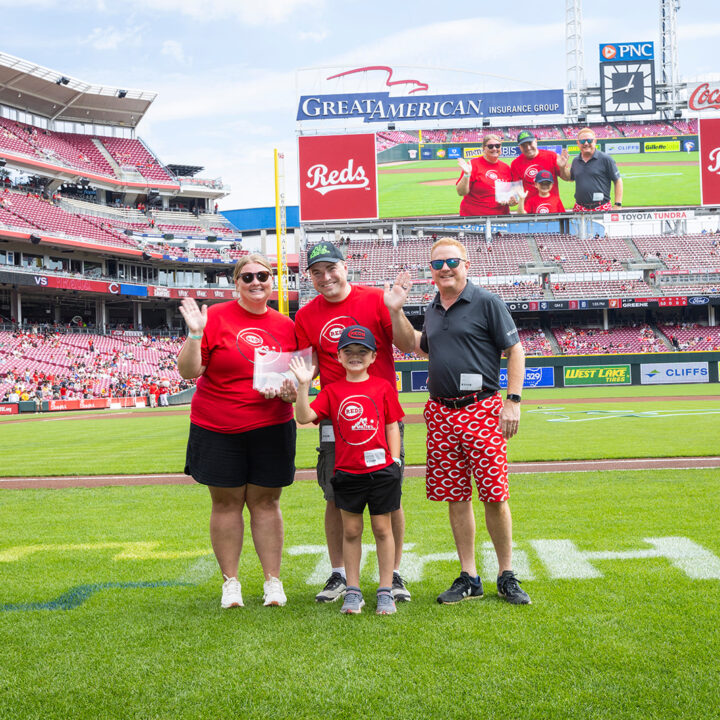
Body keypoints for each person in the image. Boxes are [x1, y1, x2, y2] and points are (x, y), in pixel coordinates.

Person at [386, 237, 532, 605]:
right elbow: (415, 347)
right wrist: (396, 312)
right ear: (431, 272)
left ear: (465, 264)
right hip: (441, 411)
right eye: (437, 264)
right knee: (456, 496)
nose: (445, 268)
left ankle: (506, 574)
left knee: (494, 495)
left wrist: (512, 401)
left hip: (481, 408)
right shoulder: (434, 308)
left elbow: (515, 350)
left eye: (451, 261)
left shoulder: (486, 302)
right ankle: (469, 576)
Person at [294, 241, 412, 604]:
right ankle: (340, 573)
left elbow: (408, 344)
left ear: (346, 267)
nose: (325, 277)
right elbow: (306, 367)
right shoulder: (305, 315)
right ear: (310, 278)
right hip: (335, 416)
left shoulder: (376, 298)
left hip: (381, 415)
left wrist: (396, 311)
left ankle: (391, 574)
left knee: (389, 498)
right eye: (316, 272)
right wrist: (291, 385)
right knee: (335, 495)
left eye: (331, 268)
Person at [177, 252, 296, 610]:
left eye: (263, 276)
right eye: (248, 277)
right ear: (236, 283)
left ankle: (272, 581)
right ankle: (231, 583)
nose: (256, 282)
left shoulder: (286, 325)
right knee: (226, 503)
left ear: (272, 281)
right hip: (218, 425)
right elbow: (188, 372)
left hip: (271, 425)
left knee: (267, 502)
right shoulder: (214, 317)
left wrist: (293, 389)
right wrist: (196, 334)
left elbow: (296, 376)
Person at [291, 325, 404, 615]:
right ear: (339, 357)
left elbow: (391, 424)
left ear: (373, 357)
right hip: (347, 472)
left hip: (381, 471)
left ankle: (385, 589)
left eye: (361, 352)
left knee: (382, 528)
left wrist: (394, 460)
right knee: (351, 531)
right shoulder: (332, 391)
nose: (355, 357)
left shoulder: (382, 388)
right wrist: (303, 385)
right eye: (348, 352)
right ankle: (352, 590)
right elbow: (304, 416)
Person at [456, 134, 515, 216]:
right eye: (490, 146)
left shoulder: (506, 168)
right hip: (474, 218)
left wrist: (511, 201)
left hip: (500, 217)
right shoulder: (473, 165)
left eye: (497, 146)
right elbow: (461, 192)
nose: (494, 149)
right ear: (484, 148)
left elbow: (511, 196)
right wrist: (466, 175)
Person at [511, 130, 569, 211]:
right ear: (519, 147)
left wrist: (562, 167)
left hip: (552, 208)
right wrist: (512, 198)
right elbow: (517, 188)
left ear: (535, 141)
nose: (528, 148)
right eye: (524, 145)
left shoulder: (551, 156)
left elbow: (567, 178)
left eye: (530, 143)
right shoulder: (515, 163)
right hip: (529, 210)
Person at [570, 128, 623, 212]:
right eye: (583, 141)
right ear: (578, 143)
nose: (586, 143)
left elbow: (617, 180)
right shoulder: (575, 161)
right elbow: (571, 178)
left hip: (601, 207)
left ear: (595, 141)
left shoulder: (606, 159)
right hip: (579, 208)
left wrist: (618, 204)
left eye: (589, 140)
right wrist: (562, 167)